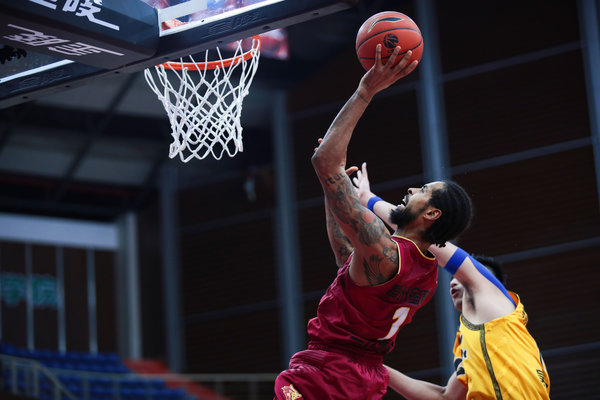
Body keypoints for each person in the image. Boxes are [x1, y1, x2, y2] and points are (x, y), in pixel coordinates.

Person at [273, 44, 474, 400]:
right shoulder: (425, 272)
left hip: (328, 373)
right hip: (363, 380)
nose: (412, 189)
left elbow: (324, 162)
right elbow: (346, 259)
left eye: (423, 190)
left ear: (431, 214)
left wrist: (366, 90)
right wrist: (331, 191)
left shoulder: (385, 249)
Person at [352, 162, 551, 400]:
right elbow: (445, 397)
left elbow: (419, 234)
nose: (454, 281)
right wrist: (374, 365)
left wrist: (368, 198)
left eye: (423, 189)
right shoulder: (480, 342)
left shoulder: (488, 290)